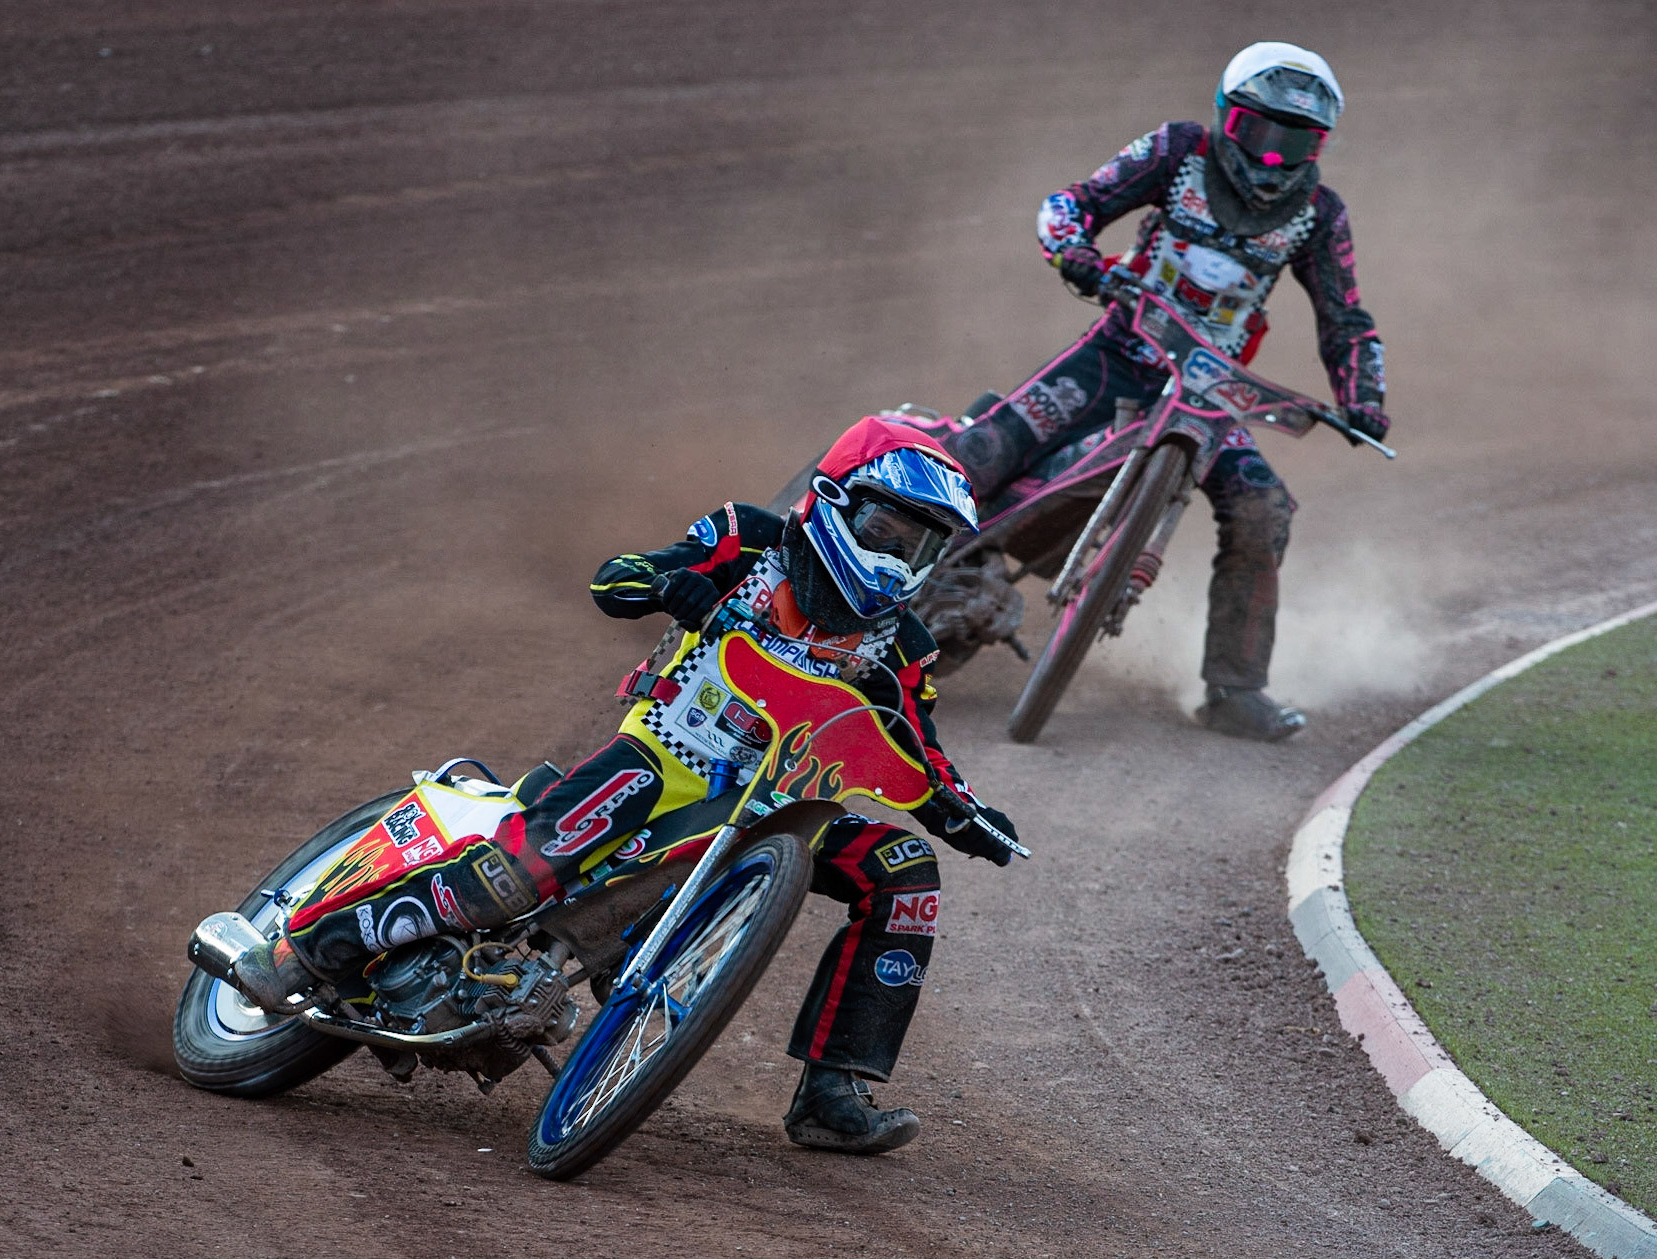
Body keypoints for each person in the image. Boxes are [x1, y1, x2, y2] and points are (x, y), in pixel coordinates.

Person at [232, 416, 1019, 1155]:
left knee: (906, 874)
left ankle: (831, 1095)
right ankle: (307, 948)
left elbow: (920, 747)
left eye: (920, 545)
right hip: (663, 758)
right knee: (530, 865)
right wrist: (663, 585)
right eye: (889, 530)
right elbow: (621, 576)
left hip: (785, 806)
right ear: (839, 498)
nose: (899, 555)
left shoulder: (904, 645)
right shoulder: (751, 539)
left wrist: (968, 812)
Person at [946, 41, 1389, 741]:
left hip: (1212, 395)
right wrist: (1078, 255)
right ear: (1225, 117)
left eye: (1295, 141)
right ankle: (850, 575)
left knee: (1263, 505)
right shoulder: (1177, 150)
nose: (1272, 158)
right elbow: (1075, 203)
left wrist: (1365, 399)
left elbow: (1347, 320)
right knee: (981, 451)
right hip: (1119, 352)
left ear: (1320, 146)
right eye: (1259, 134)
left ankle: (1234, 691)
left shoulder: (1321, 215)